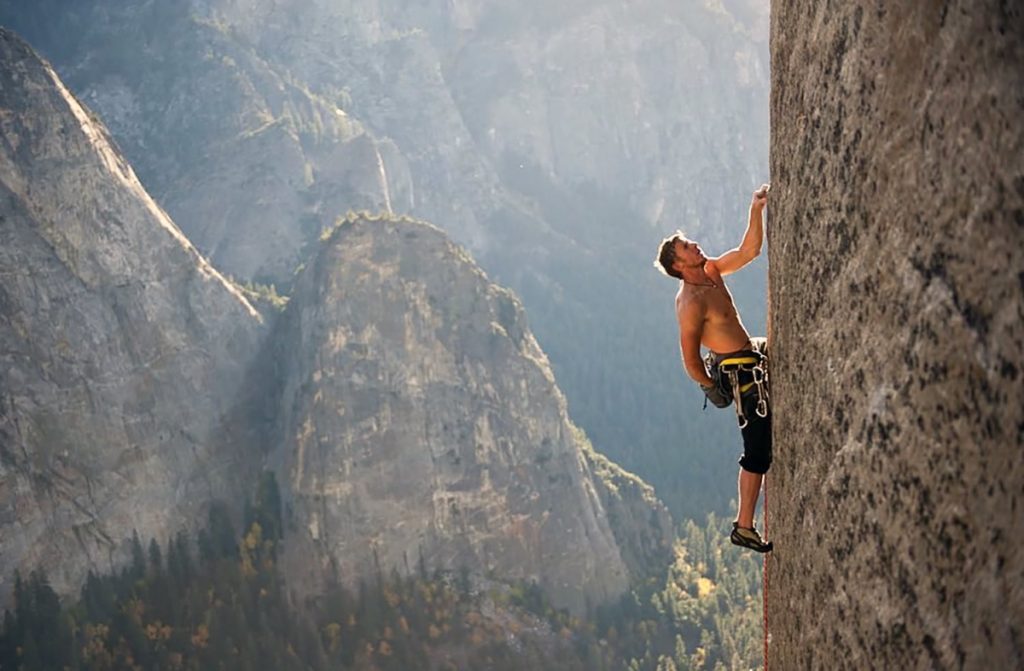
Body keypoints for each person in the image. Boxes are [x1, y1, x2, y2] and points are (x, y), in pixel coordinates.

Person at [653, 184, 773, 552]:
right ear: (678, 264)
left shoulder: (711, 272)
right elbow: (689, 359)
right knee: (758, 450)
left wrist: (756, 208)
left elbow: (749, 251)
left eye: (690, 242)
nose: (695, 246)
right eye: (687, 247)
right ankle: (744, 525)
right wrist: (712, 388)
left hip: (749, 353)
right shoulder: (689, 302)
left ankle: (745, 524)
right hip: (738, 374)